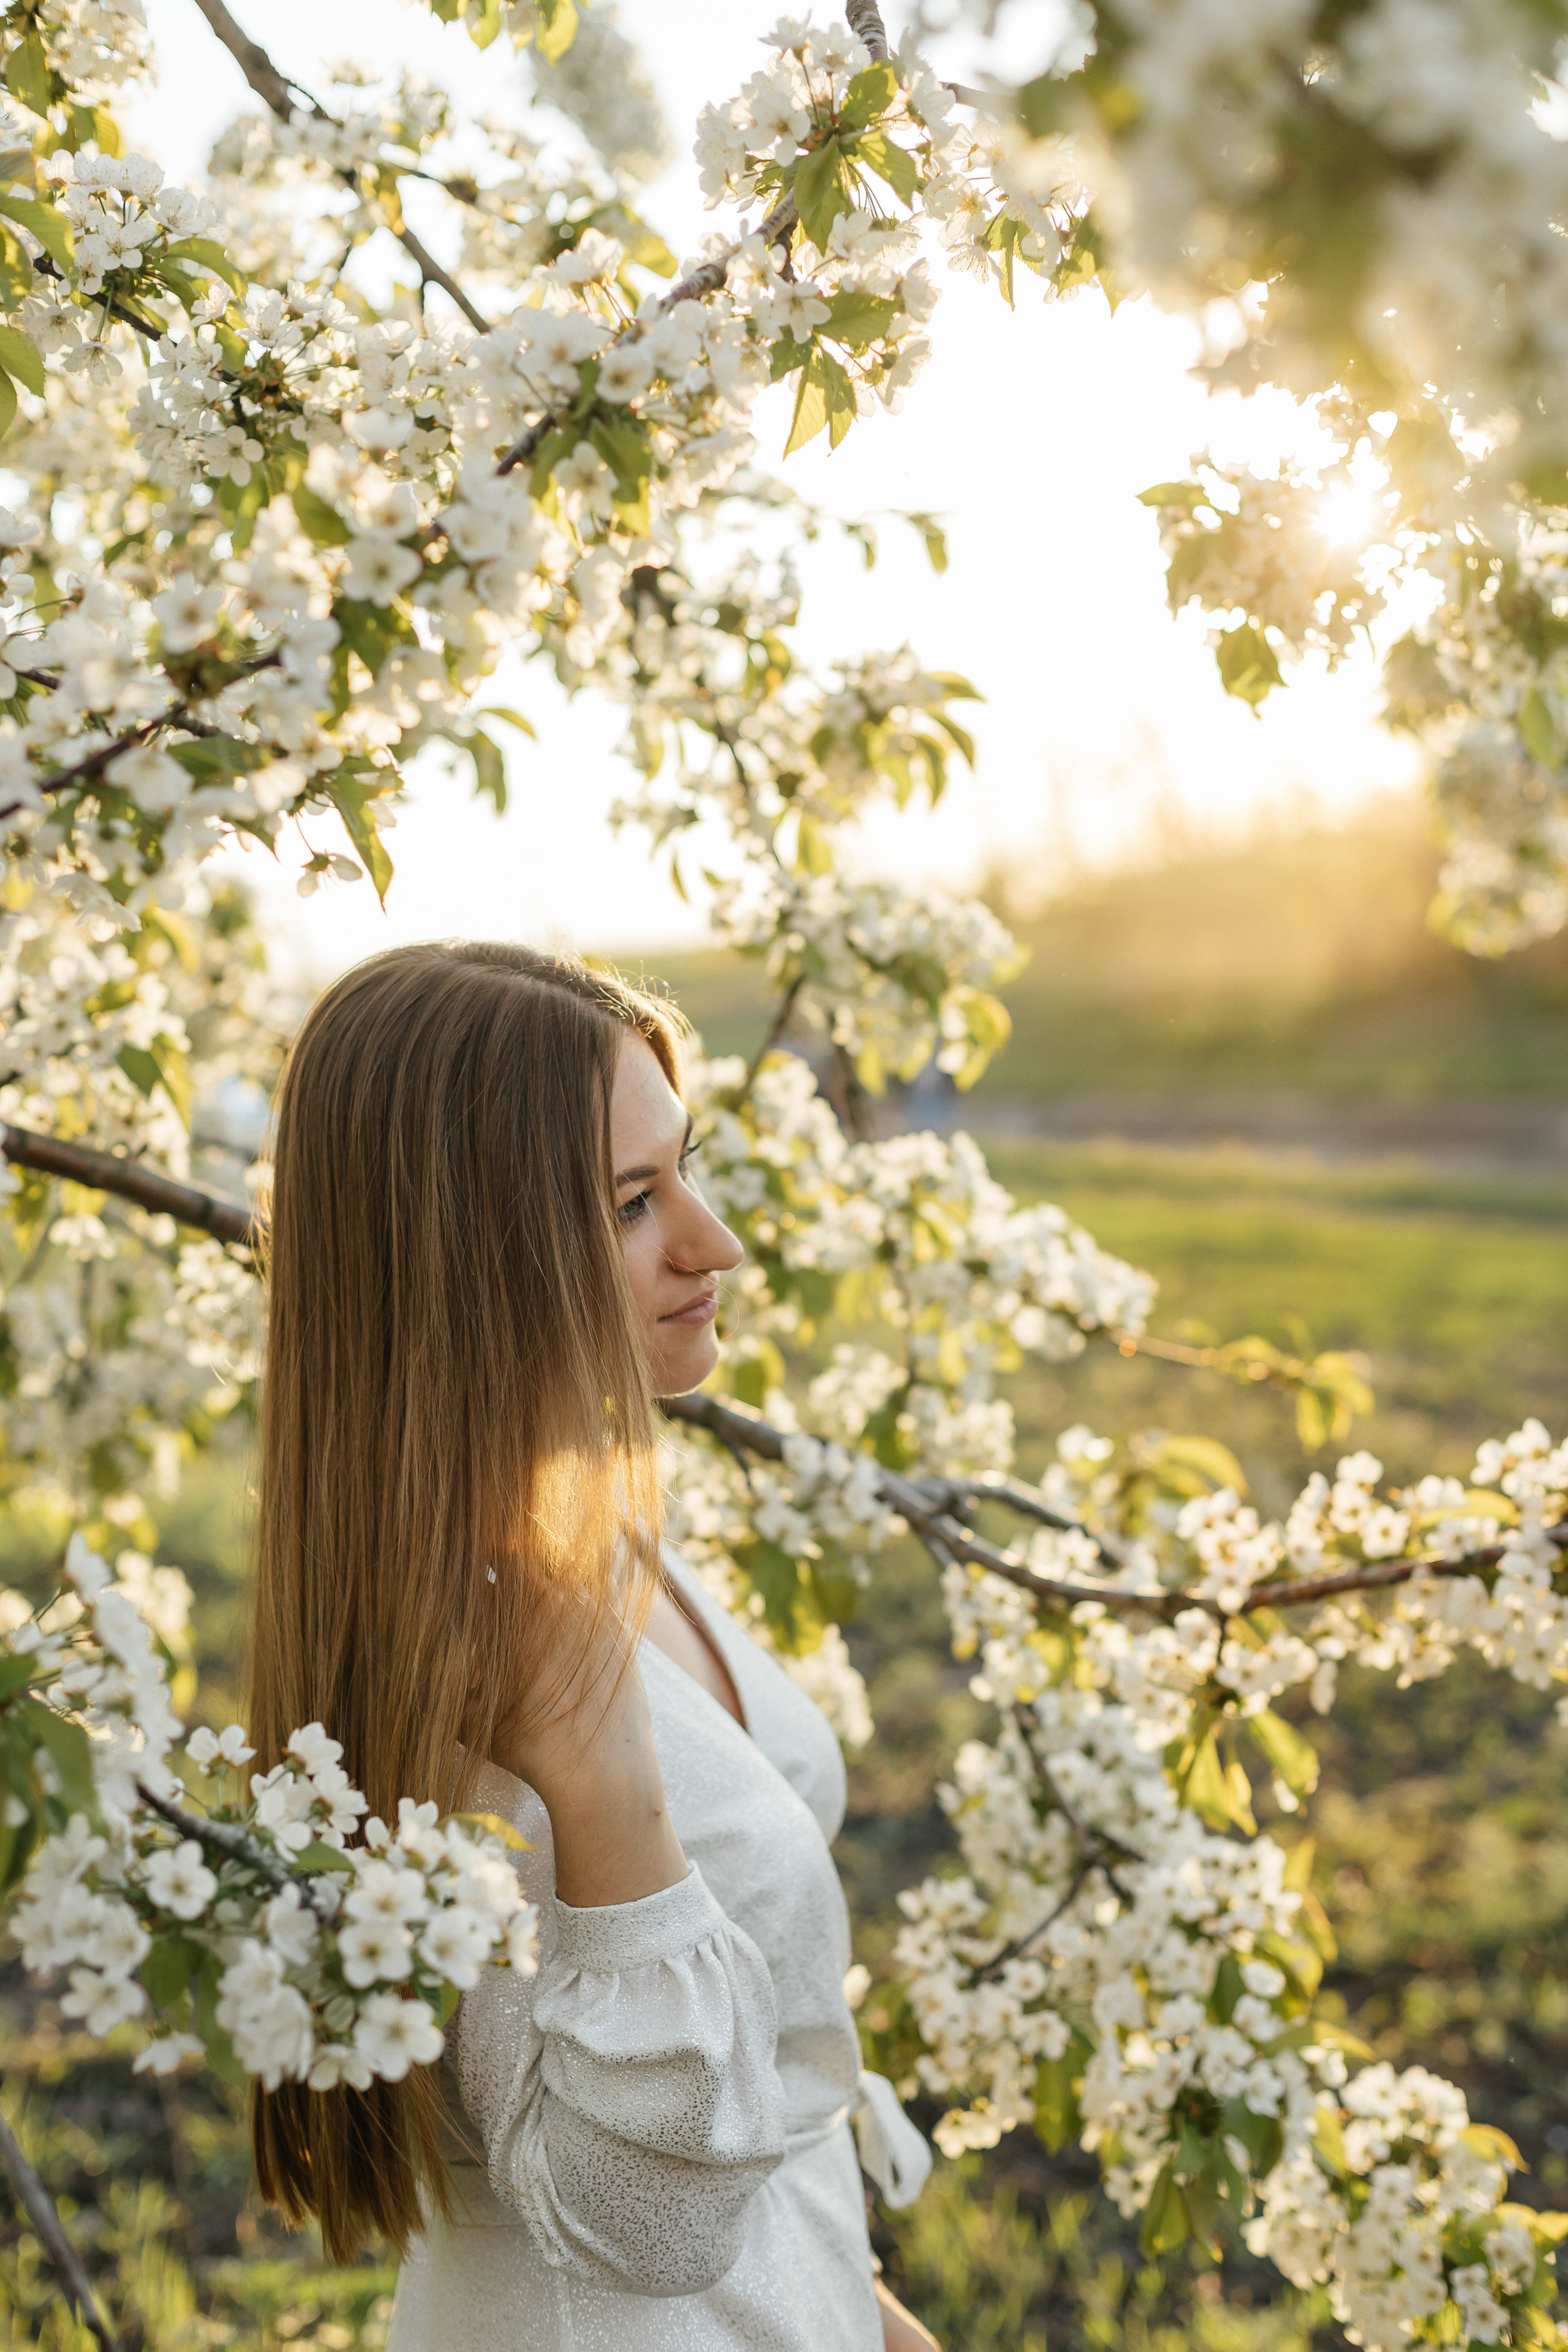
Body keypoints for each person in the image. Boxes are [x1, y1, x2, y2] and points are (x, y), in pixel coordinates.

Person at [246, 941, 942, 2351]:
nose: (713, 1242)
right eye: (631, 1203)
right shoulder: (468, 1665)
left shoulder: (587, 1531)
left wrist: (864, 2312)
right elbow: (647, 2225)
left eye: (685, 1170)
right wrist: (603, 1789)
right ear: (467, 1257)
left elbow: (747, 2079)